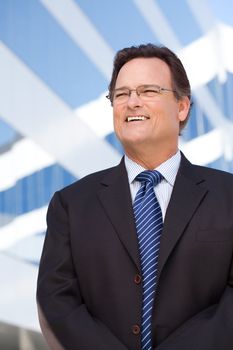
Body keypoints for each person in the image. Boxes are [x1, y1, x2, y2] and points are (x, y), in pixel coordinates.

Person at [37, 43, 233, 350]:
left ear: (182, 106)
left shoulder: (228, 196)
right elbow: (56, 302)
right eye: (121, 94)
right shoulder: (71, 205)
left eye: (148, 91)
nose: (132, 102)